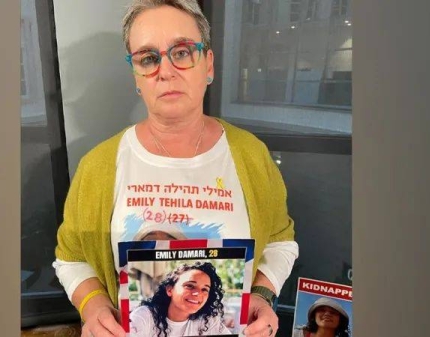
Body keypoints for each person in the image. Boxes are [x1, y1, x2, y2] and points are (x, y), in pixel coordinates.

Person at [52, 1, 299, 337]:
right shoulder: (99, 166)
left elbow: (280, 242)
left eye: (182, 52)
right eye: (148, 58)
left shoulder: (251, 156)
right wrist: (93, 305)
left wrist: (261, 294)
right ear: (136, 75)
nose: (165, 71)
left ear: (208, 65)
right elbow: (71, 257)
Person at [130, 262, 231, 337]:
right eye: (190, 286)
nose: (197, 294)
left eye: (204, 289)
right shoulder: (145, 316)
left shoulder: (207, 321)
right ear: (170, 289)